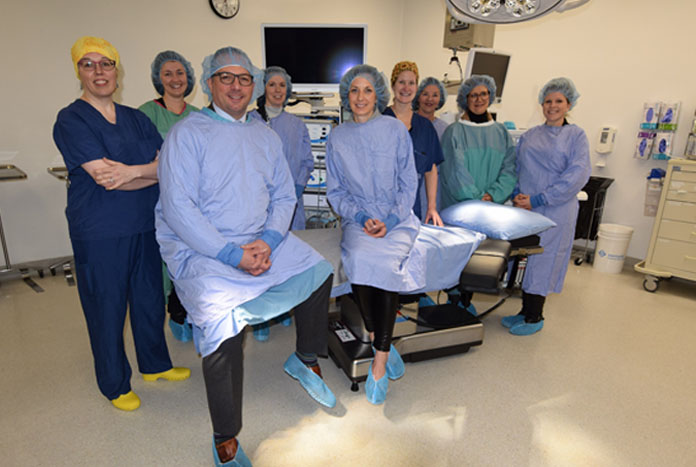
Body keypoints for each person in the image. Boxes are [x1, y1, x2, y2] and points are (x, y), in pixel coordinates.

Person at [155, 46, 336, 466]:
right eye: (226, 77)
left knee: (318, 269)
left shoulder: (264, 134)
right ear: (211, 83)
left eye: (243, 78)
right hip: (203, 248)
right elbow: (179, 209)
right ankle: (225, 432)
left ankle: (304, 358)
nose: (236, 86)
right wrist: (231, 253)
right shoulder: (187, 133)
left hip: (260, 239)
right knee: (222, 322)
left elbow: (283, 194)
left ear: (252, 85)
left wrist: (270, 241)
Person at [52, 36, 190, 412]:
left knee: (148, 300)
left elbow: (166, 168)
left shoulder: (137, 117)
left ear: (118, 70)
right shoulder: (71, 119)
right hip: (100, 230)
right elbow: (103, 176)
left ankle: (155, 365)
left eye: (106, 63)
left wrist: (131, 171)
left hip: (144, 224)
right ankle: (113, 383)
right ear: (79, 71)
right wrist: (146, 172)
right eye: (89, 64)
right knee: (106, 307)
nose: (99, 71)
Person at [326, 64, 420, 405]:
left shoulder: (395, 129)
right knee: (361, 259)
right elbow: (335, 192)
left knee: (387, 266)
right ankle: (377, 333)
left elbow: (409, 181)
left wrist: (392, 220)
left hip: (396, 218)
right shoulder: (338, 136)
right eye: (354, 90)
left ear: (378, 94)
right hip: (359, 219)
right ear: (346, 96)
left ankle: (379, 359)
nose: (361, 97)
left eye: (367, 90)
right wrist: (363, 217)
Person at [504, 77, 591, 335]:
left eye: (558, 101)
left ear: (569, 104)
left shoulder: (576, 136)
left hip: (556, 209)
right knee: (525, 259)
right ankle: (523, 310)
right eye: (548, 101)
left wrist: (539, 198)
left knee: (545, 260)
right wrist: (518, 194)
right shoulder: (530, 135)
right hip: (526, 208)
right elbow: (518, 167)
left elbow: (577, 175)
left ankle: (535, 316)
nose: (552, 106)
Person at [248, 66, 314, 341]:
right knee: (259, 257)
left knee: (286, 256)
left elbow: (307, 160)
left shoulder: (296, 125)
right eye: (272, 85)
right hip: (255, 203)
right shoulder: (249, 120)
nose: (277, 90)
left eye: (282, 86)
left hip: (290, 204)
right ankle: (261, 317)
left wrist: (293, 192)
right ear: (263, 88)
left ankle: (285, 308)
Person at [139, 50, 199, 343]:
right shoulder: (147, 114)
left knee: (192, 257)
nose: (175, 79)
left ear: (188, 77)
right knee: (165, 259)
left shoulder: (199, 116)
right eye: (168, 74)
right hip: (159, 199)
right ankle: (173, 312)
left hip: (195, 201)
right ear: (158, 79)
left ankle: (186, 310)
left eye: (180, 73)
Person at [439, 74, 517, 209]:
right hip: (461, 209)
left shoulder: (501, 132)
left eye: (483, 94)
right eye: (473, 95)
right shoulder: (454, 132)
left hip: (492, 207)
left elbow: (510, 169)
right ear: (465, 99)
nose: (479, 99)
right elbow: (455, 173)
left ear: (490, 96)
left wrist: (493, 195)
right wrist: (478, 198)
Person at [383, 61, 444, 226]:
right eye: (401, 82)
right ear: (393, 85)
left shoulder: (424, 127)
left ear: (416, 87)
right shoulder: (380, 120)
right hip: (381, 205)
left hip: (411, 206)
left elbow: (430, 169)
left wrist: (432, 207)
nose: (406, 88)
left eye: (411, 83)